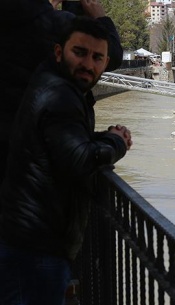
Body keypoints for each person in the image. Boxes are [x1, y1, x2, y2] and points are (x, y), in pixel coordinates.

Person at [0, 16, 132, 305]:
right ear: (59, 52)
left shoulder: (55, 85)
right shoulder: (61, 95)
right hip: (37, 246)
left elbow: (62, 141)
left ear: (106, 61)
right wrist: (117, 143)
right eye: (80, 52)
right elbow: (79, 159)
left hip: (28, 238)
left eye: (97, 57)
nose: (88, 63)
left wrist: (102, 138)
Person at [0, 0, 123, 182]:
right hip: (39, 186)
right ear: (59, 52)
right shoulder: (56, 94)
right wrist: (100, 17)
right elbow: (111, 53)